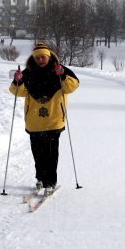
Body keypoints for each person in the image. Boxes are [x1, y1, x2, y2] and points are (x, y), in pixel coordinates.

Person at [9, 41, 79, 195]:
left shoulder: (59, 70)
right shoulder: (28, 73)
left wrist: (63, 75)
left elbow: (72, 86)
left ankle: (50, 181)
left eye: (43, 57)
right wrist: (17, 80)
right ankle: (40, 178)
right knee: (37, 151)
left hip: (54, 119)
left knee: (51, 152)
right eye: (37, 57)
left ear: (49, 57)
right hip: (34, 121)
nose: (40, 60)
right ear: (34, 58)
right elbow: (17, 92)